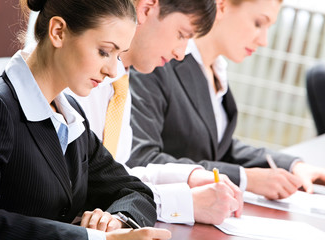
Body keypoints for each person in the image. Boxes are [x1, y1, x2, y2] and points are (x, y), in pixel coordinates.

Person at [0, 0, 172, 239]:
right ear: (58, 32)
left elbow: (136, 192)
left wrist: (115, 221)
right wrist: (97, 238)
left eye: (118, 55)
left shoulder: (68, 113)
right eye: (104, 51)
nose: (112, 71)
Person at [68, 0, 243, 226]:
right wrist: (183, 202)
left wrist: (188, 177)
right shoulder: (84, 78)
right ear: (147, 8)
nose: (181, 54)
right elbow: (89, 189)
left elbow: (119, 174)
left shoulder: (121, 83)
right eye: (181, 34)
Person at [129, 0, 325, 201]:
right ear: (222, 6)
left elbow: (219, 145)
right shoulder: (156, 60)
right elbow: (141, 158)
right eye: (258, 23)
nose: (264, 40)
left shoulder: (214, 70)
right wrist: (243, 178)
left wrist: (292, 165)